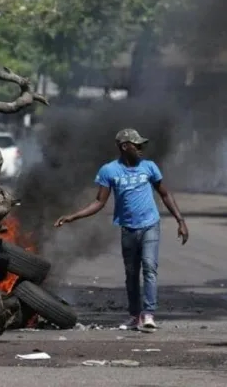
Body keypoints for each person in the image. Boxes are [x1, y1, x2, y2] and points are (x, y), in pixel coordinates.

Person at [54, 128, 189, 332]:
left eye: (142, 145)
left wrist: (181, 220)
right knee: (131, 273)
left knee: (149, 268)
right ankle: (135, 316)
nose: (141, 149)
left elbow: (165, 194)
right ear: (125, 147)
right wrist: (73, 216)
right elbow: (99, 202)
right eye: (137, 145)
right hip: (128, 228)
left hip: (150, 225)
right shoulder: (109, 171)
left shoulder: (149, 167)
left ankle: (149, 313)